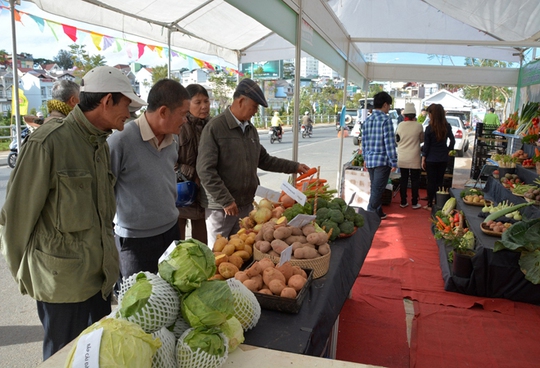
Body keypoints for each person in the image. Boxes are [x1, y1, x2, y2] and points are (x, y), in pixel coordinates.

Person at [0, 65, 146, 360]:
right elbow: (15, 218)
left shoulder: (99, 144)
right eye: (126, 106)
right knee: (62, 359)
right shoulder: (48, 143)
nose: (129, 115)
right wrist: (29, 277)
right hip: (62, 287)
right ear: (106, 101)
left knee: (95, 358)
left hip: (99, 281)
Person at [196, 78, 311, 247]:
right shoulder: (215, 128)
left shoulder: (250, 130)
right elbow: (205, 170)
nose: (256, 112)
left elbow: (264, 160)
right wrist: (226, 200)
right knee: (218, 254)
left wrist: (294, 166)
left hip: (245, 205)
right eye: (255, 107)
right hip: (221, 208)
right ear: (241, 101)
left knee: (244, 249)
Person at [108, 79, 190, 279]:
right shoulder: (120, 141)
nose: (186, 120)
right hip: (135, 242)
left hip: (170, 233)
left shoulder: (173, 140)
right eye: (183, 114)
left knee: (170, 296)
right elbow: (102, 192)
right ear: (163, 112)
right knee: (139, 303)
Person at [177, 84, 211, 244]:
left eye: (206, 101)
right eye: (198, 102)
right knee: (176, 246)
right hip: (180, 194)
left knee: (202, 246)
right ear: (187, 104)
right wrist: (194, 174)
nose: (204, 106)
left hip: (203, 197)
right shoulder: (179, 126)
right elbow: (169, 161)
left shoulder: (212, 126)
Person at [361, 91, 397, 220]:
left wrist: (365, 158)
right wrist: (394, 161)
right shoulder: (386, 120)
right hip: (382, 160)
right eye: (389, 105)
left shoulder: (367, 121)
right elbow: (390, 143)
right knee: (378, 189)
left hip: (370, 160)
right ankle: (369, 214)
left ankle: (379, 212)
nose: (389, 108)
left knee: (375, 188)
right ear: (385, 105)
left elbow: (363, 142)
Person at [422, 103, 455, 210]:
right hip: (443, 157)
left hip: (431, 158)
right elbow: (452, 141)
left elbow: (426, 146)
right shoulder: (447, 126)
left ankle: (430, 204)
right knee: (439, 181)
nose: (428, 115)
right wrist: (448, 150)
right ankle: (438, 202)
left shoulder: (429, 128)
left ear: (433, 114)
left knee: (431, 181)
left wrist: (423, 157)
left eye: (429, 113)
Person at [395, 103, 424, 209]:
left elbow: (397, 140)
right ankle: (415, 202)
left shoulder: (400, 125)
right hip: (415, 156)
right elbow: (421, 140)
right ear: (414, 114)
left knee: (403, 179)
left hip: (402, 156)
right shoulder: (419, 125)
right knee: (415, 180)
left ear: (404, 114)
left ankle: (403, 201)